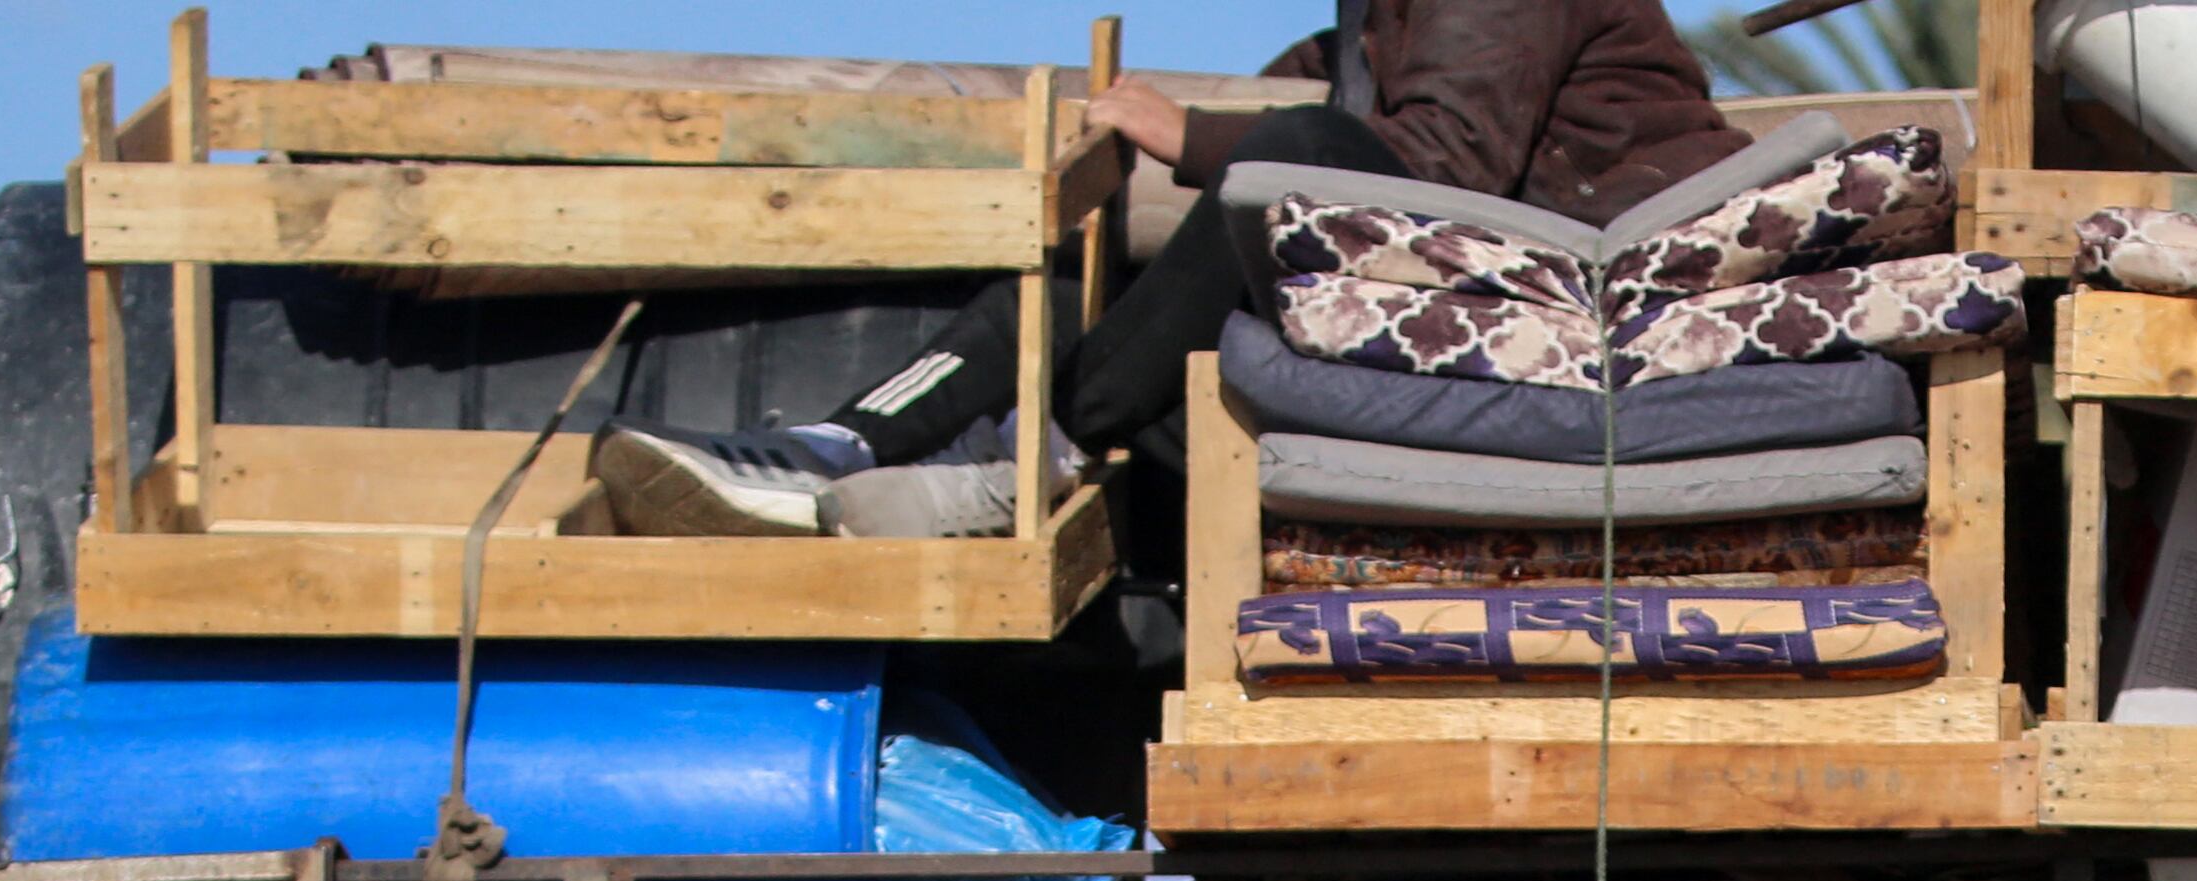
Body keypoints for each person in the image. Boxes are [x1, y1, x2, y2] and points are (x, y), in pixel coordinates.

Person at [593, 0, 1747, 538]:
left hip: (1581, 301)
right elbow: (1315, 101)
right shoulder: (1377, 18)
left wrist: (1186, 133)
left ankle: (1046, 449)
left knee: (1300, 157)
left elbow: (1431, 163)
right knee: (1050, 301)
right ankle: (830, 454)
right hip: (1445, 287)